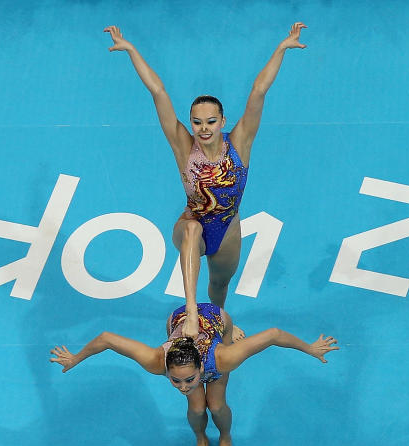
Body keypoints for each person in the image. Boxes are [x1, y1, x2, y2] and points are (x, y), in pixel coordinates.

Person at [103, 23, 307, 337]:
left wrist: (281, 48)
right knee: (193, 229)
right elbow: (158, 91)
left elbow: (259, 91)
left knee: (219, 286)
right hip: (192, 224)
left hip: (227, 228)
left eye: (211, 121)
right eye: (197, 122)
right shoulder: (183, 146)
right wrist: (131, 50)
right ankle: (191, 312)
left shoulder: (240, 143)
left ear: (222, 121)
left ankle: (222, 322)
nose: (203, 127)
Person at [49, 304, 338, 446]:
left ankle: (225, 440)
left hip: (216, 319)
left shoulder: (225, 358)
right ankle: (201, 442)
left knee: (216, 405)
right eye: (176, 381)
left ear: (200, 369)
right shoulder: (156, 361)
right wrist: (75, 358)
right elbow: (106, 338)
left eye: (189, 380)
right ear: (168, 371)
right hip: (177, 318)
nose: (183, 386)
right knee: (196, 406)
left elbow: (274, 335)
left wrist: (310, 348)